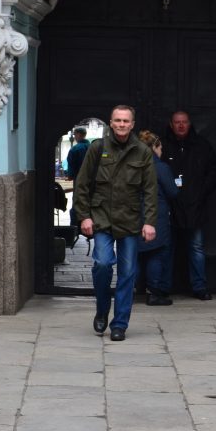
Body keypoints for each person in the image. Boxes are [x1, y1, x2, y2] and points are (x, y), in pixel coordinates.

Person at [73, 106, 157, 342]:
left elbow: (150, 190)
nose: (121, 124)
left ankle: (119, 323)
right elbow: (82, 184)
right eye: (117, 120)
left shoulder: (142, 152)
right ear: (111, 123)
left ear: (132, 124)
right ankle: (102, 308)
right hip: (101, 218)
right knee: (101, 263)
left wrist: (149, 222)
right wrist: (84, 216)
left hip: (129, 221)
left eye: (125, 121)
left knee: (128, 273)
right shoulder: (97, 149)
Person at [162, 110, 216, 300]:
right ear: (171, 124)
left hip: (195, 206)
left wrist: (202, 192)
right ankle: (163, 288)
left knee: (196, 248)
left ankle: (199, 287)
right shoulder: (163, 145)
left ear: (190, 123)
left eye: (184, 122)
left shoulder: (202, 145)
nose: (181, 125)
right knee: (167, 248)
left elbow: (214, 170)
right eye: (177, 122)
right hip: (170, 207)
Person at [136, 130, 179, 306]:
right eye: (160, 147)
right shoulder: (160, 167)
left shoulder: (133, 165)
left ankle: (135, 288)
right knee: (156, 253)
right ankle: (154, 292)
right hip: (157, 216)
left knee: (136, 253)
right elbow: (172, 192)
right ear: (154, 147)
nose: (162, 150)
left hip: (133, 215)